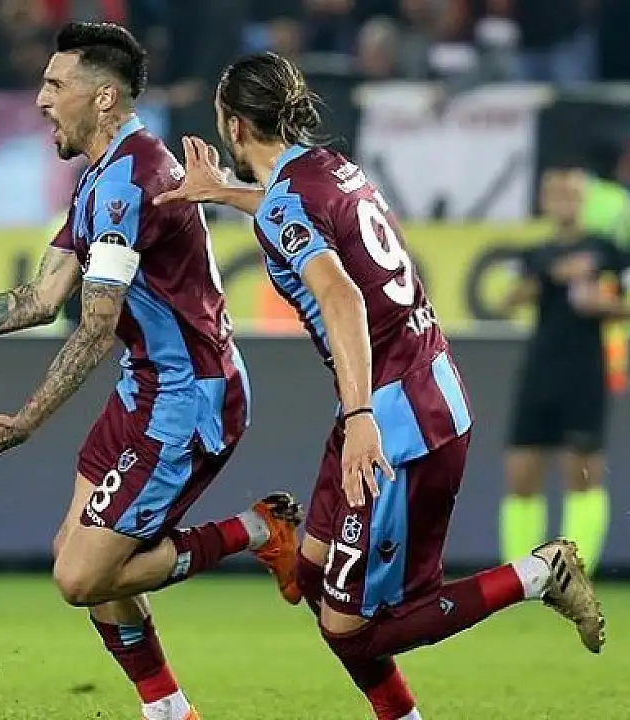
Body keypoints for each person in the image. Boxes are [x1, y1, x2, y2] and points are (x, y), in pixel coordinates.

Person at [0, 22, 302, 720]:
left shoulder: (131, 181)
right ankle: (169, 711)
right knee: (81, 554)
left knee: (82, 576)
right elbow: (41, 297)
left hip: (189, 398)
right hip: (145, 387)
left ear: (104, 97)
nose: (41, 100)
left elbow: (96, 323)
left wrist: (26, 421)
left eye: (56, 85)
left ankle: (259, 530)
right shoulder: (98, 178)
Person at [154, 52, 606, 720]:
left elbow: (341, 298)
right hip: (415, 389)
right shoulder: (330, 168)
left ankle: (540, 573)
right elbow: (295, 216)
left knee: (354, 629)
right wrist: (223, 192)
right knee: (311, 577)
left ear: (233, 126)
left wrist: (361, 417)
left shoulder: (286, 201)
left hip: (398, 420)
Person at [499, 167, 630, 577]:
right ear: (545, 201)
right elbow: (506, 301)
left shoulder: (608, 251)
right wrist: (547, 278)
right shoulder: (534, 254)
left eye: (572, 193)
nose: (564, 201)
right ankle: (521, 574)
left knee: (582, 472)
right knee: (522, 470)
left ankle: (575, 571)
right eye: (556, 193)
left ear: (584, 200)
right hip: (540, 369)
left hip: (586, 370)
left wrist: (601, 304)